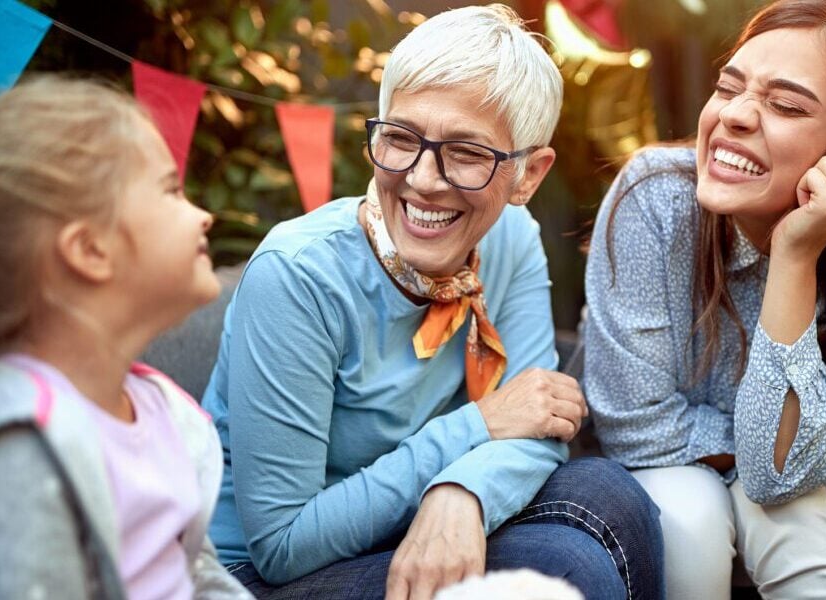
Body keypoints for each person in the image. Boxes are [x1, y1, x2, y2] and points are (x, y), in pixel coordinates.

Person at [202, 5, 663, 599]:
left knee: (611, 491)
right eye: (400, 138)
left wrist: (460, 492)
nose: (423, 179)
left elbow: (536, 419)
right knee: (564, 564)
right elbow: (283, 543)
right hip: (257, 577)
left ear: (528, 175)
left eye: (467, 153)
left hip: (395, 526)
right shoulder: (297, 276)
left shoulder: (510, 238)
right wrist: (475, 429)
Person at [583, 0, 826, 597]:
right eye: (728, 86)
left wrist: (796, 255)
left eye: (787, 105)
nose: (735, 116)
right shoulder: (656, 196)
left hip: (766, 479)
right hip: (638, 477)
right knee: (691, 513)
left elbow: (778, 478)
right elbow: (635, 428)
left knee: (804, 523)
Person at [0, 76, 251, 600]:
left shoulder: (157, 409)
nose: (202, 213)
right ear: (90, 250)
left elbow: (194, 573)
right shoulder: (13, 466)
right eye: (171, 190)